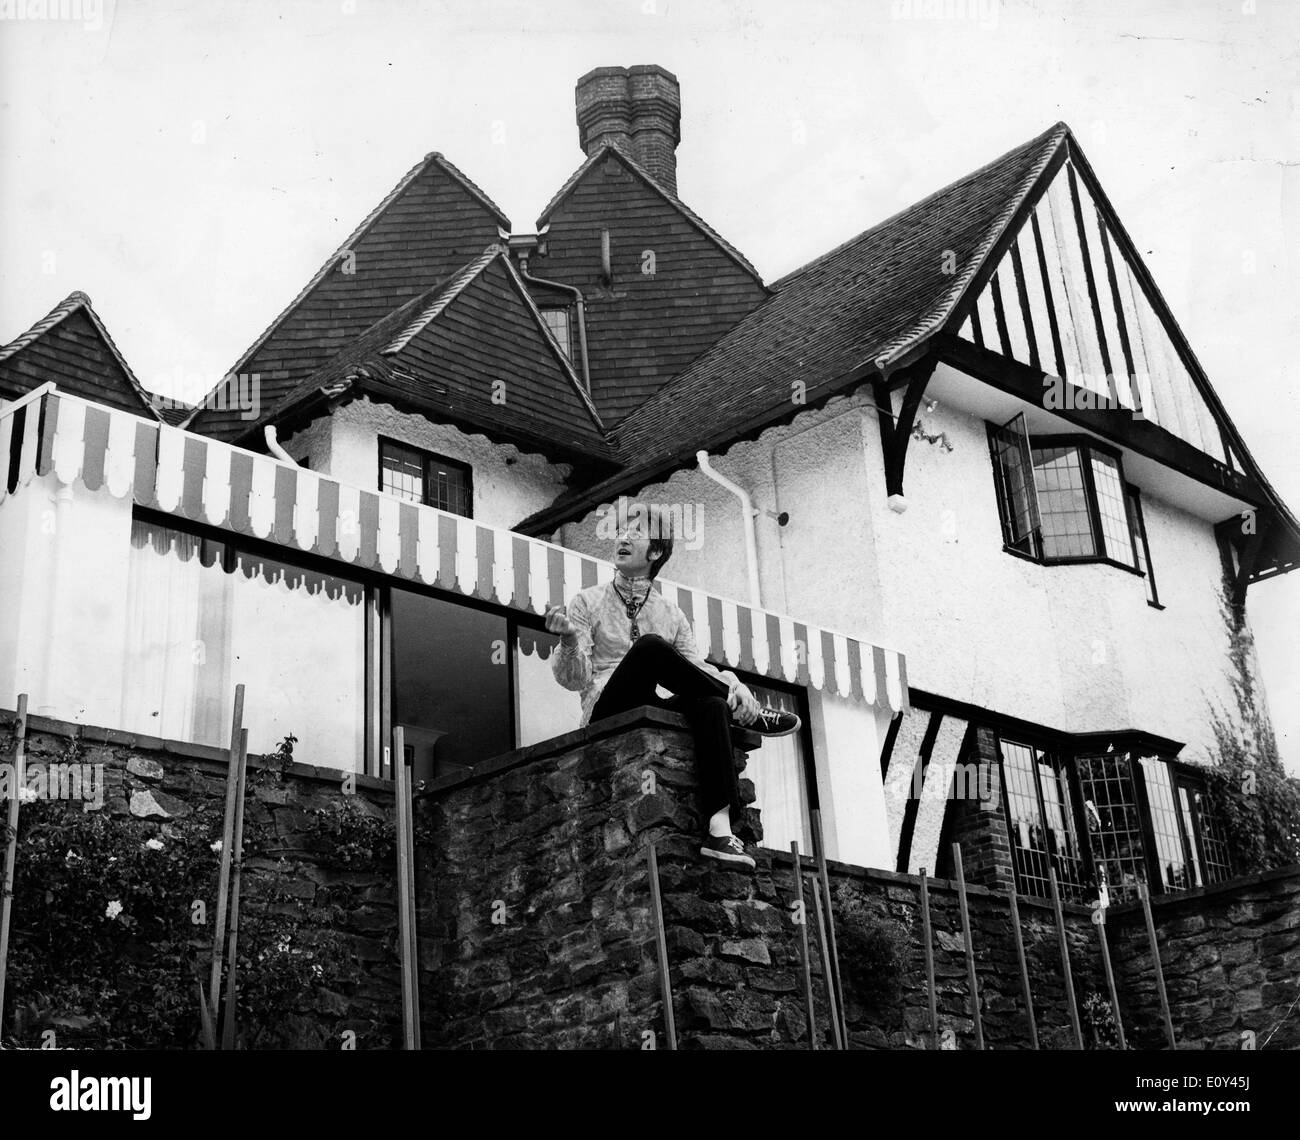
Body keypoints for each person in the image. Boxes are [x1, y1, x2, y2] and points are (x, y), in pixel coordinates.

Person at [546, 503, 800, 869]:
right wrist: (569, 640)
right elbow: (575, 680)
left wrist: (733, 682)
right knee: (650, 647)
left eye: (635, 532)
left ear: (655, 552)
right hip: (606, 709)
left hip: (648, 705)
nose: (622, 537)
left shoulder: (671, 613)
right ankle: (750, 715)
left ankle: (720, 830)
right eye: (621, 531)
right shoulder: (587, 601)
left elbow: (694, 668)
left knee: (710, 705)